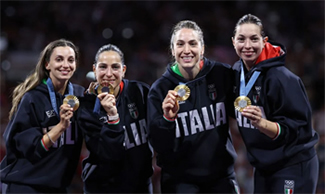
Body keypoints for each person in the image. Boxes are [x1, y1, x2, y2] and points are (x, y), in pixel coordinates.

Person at [147, 20, 240, 193]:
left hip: (221, 179)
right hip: (179, 183)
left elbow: (240, 111)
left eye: (193, 43)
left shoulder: (221, 75)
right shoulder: (159, 90)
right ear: (172, 50)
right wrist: (167, 119)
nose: (187, 50)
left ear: (202, 48)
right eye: (180, 44)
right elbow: (159, 146)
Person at [231, 14, 319, 193]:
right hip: (264, 167)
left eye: (254, 39)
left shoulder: (282, 79)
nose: (247, 46)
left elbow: (299, 130)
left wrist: (262, 123)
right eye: (241, 39)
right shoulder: (236, 73)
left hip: (292, 164)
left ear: (264, 41)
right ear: (233, 42)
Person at [0, 39, 85, 193]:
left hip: (58, 187)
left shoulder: (80, 97)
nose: (65, 64)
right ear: (47, 64)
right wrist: (60, 127)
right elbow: (32, 150)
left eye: (70, 60)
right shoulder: (32, 98)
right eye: (59, 59)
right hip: (26, 186)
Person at [77, 44, 153, 193]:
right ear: (95, 70)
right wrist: (113, 117)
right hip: (103, 189)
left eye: (115, 67)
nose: (109, 73)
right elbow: (109, 155)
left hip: (140, 187)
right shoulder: (87, 107)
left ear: (123, 70)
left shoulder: (140, 92)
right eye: (103, 67)